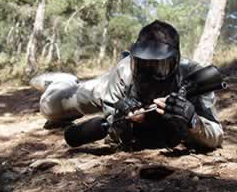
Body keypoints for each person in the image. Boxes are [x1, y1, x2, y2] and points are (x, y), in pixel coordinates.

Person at [30, 20, 223, 150]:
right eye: (143, 64)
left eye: (160, 67)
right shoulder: (125, 71)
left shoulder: (194, 78)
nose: (150, 73)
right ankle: (61, 82)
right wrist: (125, 121)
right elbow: (114, 137)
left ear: (176, 61)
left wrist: (193, 122)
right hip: (104, 89)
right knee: (50, 107)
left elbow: (216, 135)